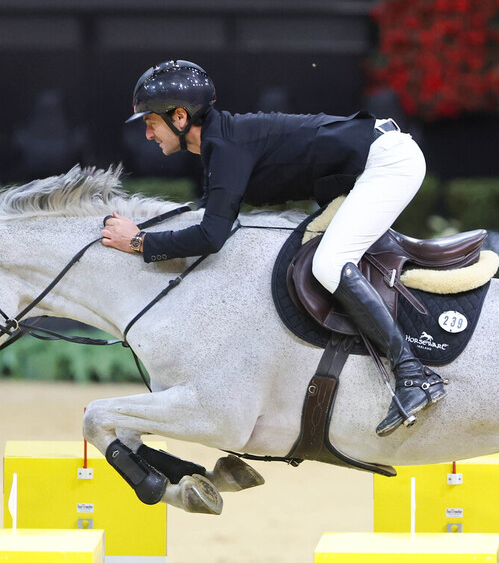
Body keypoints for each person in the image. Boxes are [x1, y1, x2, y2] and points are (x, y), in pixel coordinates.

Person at [100, 60, 445, 437]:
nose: (148, 135)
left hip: (388, 164)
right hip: (374, 161)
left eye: (150, 122)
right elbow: (213, 220)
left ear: (180, 117)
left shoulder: (225, 146)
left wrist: (138, 241)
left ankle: (414, 375)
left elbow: (212, 236)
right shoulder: (221, 144)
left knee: (329, 264)